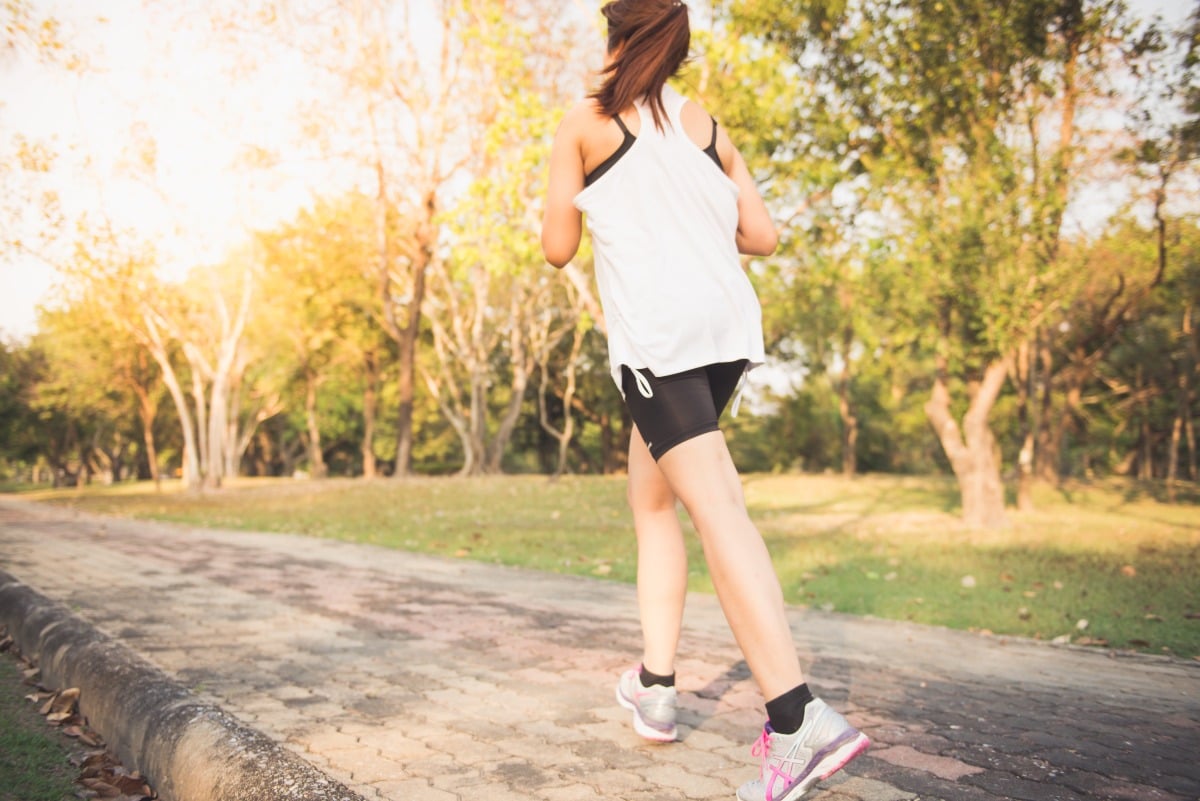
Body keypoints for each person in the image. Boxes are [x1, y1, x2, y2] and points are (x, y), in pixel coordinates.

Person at [540, 1, 870, 799]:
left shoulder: (586, 120)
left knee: (719, 509)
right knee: (652, 501)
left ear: (615, 35)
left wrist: (578, 192)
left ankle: (797, 718)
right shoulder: (705, 126)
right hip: (723, 337)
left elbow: (557, 248)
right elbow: (763, 235)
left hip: (660, 346)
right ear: (676, 48)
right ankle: (656, 684)